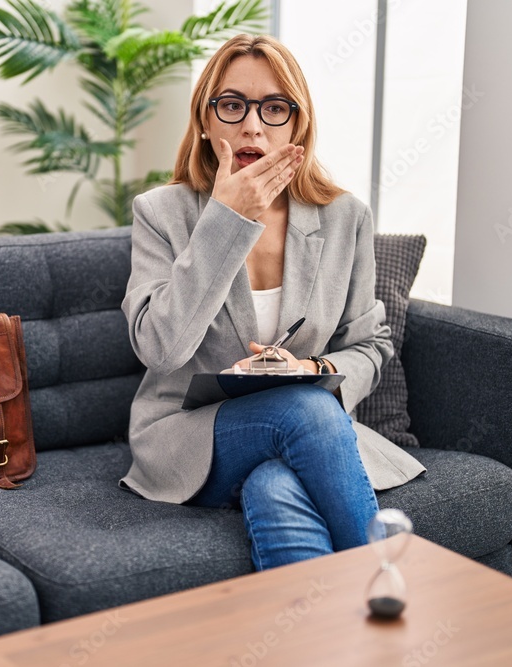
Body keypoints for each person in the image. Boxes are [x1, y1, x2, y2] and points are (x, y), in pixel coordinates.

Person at [120, 34, 426, 570]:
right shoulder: (161, 213)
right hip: (188, 433)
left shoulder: (344, 218)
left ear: (297, 125)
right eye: (233, 105)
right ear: (205, 118)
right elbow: (160, 349)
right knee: (304, 409)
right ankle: (386, 584)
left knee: (275, 484)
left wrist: (310, 366)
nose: (252, 126)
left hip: (293, 433)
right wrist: (227, 221)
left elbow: (371, 345)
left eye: (274, 108)